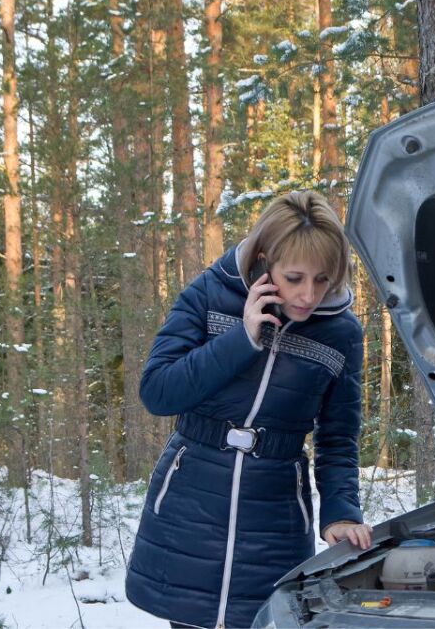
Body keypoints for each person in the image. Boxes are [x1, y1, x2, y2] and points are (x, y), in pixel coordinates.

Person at [125, 191, 372, 628]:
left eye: (322, 279)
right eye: (295, 277)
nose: (308, 294)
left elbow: (338, 436)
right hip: (190, 505)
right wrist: (242, 339)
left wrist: (341, 511)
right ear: (264, 258)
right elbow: (159, 392)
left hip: (275, 514)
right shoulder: (208, 294)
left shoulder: (341, 334)